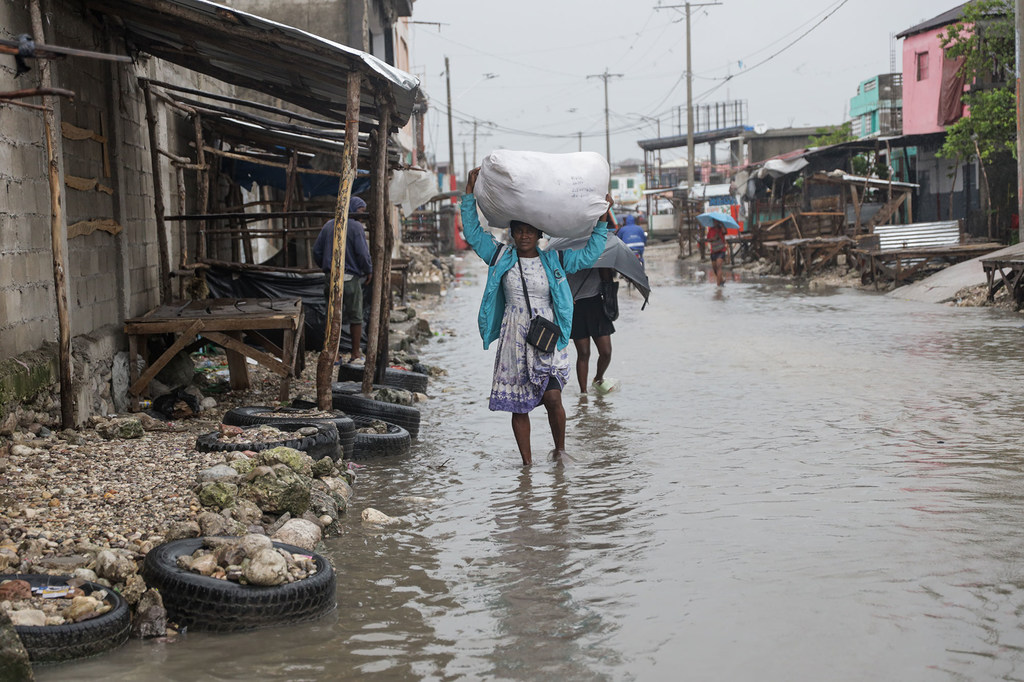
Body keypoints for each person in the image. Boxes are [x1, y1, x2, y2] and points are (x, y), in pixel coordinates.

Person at [461, 167, 611, 466]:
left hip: (546, 335)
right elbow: (473, 233)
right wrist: (469, 194)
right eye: (520, 230)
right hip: (514, 337)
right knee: (520, 406)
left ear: (539, 234)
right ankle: (527, 466)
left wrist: (602, 219)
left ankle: (559, 450)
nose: (525, 235)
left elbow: (589, 253)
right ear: (513, 233)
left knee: (553, 398)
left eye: (530, 231)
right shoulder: (500, 257)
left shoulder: (555, 260)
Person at [312, 195, 373, 362]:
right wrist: (368, 270)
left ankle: (334, 354)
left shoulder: (328, 225)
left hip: (330, 279)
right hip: (350, 279)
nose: (362, 215)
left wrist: (326, 267)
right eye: (360, 211)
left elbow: (316, 251)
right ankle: (355, 353)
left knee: (332, 316)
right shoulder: (356, 227)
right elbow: (362, 253)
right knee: (355, 316)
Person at [567, 267, 617, 395]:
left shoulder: (598, 254)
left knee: (606, 351)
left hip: (596, 303)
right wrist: (565, 296)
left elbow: (607, 280)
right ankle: (583, 394)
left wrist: (606, 268)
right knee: (583, 353)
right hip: (575, 304)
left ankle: (598, 378)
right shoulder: (566, 253)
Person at [706, 220, 731, 286]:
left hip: (721, 250)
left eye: (716, 221)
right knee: (715, 268)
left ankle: (718, 286)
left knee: (719, 266)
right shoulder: (711, 230)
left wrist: (722, 225)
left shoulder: (722, 229)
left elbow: (725, 232)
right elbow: (707, 239)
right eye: (714, 221)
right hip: (713, 251)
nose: (715, 223)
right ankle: (721, 280)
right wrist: (713, 239)